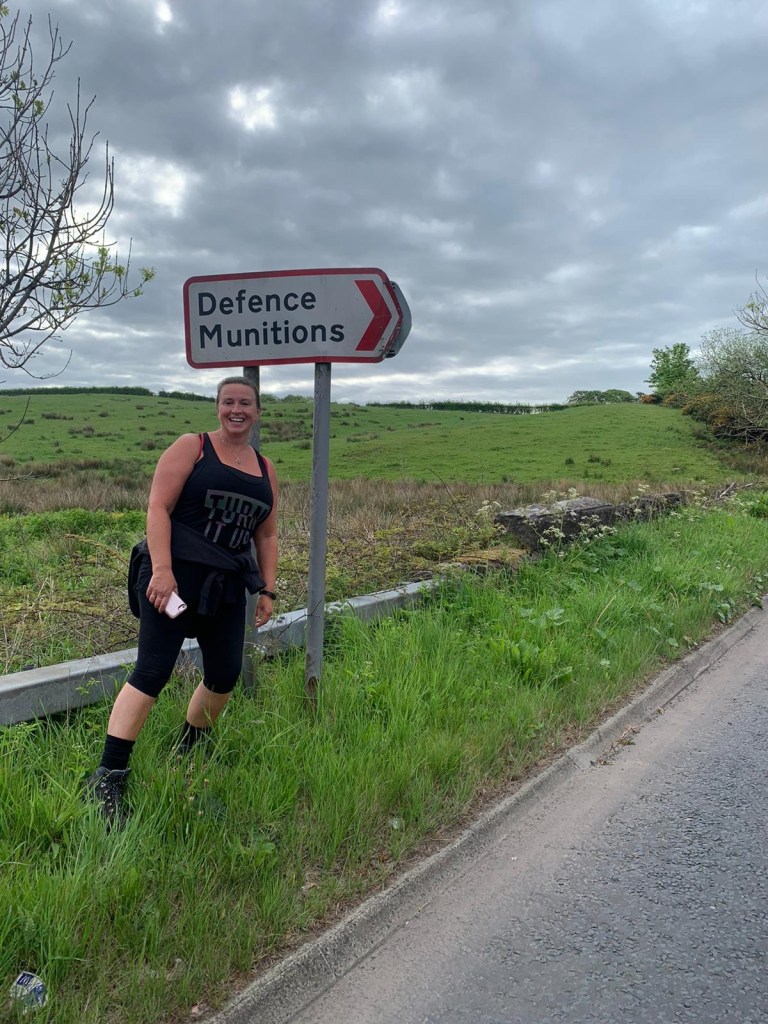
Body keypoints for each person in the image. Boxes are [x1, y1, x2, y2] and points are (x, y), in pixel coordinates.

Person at [83, 376, 278, 828]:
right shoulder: (193, 447)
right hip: (173, 576)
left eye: (245, 403)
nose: (236, 409)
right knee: (153, 671)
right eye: (228, 401)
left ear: (257, 411)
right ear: (217, 407)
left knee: (225, 673)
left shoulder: (265, 468)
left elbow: (266, 534)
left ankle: (188, 752)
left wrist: (267, 589)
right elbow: (158, 508)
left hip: (225, 585)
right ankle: (108, 777)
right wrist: (162, 570)